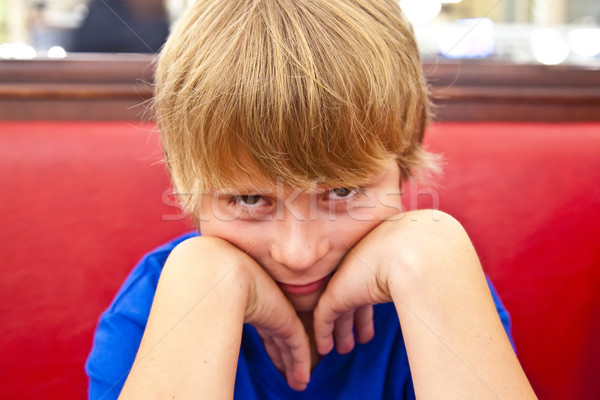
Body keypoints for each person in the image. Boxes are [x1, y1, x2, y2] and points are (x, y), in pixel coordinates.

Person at [86, 0, 538, 398]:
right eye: (248, 198)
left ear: (402, 163)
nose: (299, 254)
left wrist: (434, 253)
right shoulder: (153, 308)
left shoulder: (433, 286)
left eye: (342, 192)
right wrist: (208, 281)